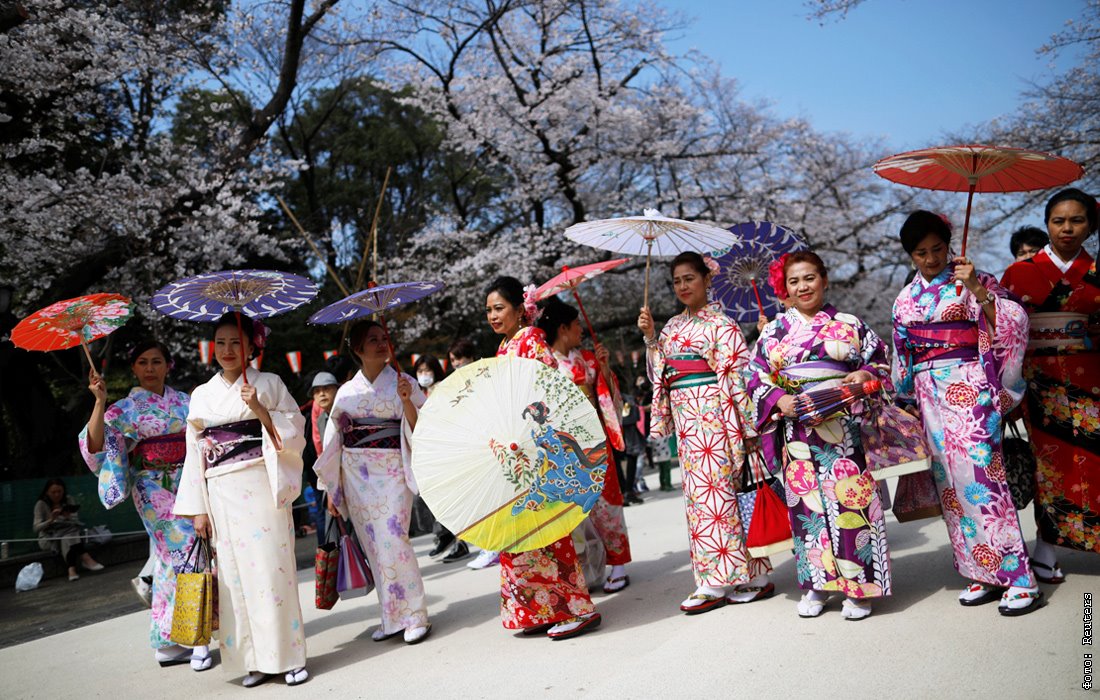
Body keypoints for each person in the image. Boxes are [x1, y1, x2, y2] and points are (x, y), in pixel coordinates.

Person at [893, 210, 1041, 616]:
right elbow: (902, 353)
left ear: (949, 244)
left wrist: (976, 287)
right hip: (928, 392)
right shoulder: (905, 298)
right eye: (921, 253)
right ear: (910, 256)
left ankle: (1019, 578)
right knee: (950, 485)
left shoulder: (976, 282)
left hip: (970, 387)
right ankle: (982, 571)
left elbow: (1011, 325)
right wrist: (904, 401)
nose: (930, 258)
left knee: (983, 477)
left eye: (937, 249)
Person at [746, 252, 892, 620]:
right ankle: (816, 584)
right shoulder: (774, 331)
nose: (803, 287)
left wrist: (865, 374)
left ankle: (858, 586)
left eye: (809, 278)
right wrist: (780, 399)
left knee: (850, 503)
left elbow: (881, 360)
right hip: (797, 428)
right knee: (807, 508)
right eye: (794, 282)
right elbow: (755, 377)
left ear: (824, 279)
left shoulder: (848, 323)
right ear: (785, 289)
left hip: (844, 425)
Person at [173, 313, 309, 687]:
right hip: (219, 490)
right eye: (221, 343)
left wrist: (261, 410)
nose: (228, 350)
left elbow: (295, 432)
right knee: (233, 577)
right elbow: (194, 453)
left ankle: (289, 656)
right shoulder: (201, 395)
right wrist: (198, 508)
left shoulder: (269, 383)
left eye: (237, 342)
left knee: (271, 570)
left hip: (262, 484)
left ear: (252, 346)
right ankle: (253, 661)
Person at [637, 252, 774, 615]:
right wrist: (651, 339)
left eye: (689, 279)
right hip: (687, 418)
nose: (683, 286)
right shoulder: (669, 327)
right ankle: (723, 576)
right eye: (677, 281)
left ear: (706, 280)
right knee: (701, 500)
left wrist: (743, 424)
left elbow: (737, 374)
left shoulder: (722, 325)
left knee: (724, 494)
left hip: (716, 414)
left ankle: (738, 577)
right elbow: (659, 376)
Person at [78, 340, 207, 668]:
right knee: (185, 549)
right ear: (134, 368)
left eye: (157, 362)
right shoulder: (123, 410)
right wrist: (100, 401)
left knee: (168, 560)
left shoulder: (185, 402)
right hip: (152, 488)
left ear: (168, 366)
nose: (150, 369)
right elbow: (95, 447)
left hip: (189, 481)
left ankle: (167, 642)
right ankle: (195, 635)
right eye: (143, 362)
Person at [487, 276, 602, 639]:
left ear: (520, 309)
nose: (492, 315)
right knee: (521, 530)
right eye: (488, 310)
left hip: (536, 446)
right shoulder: (505, 346)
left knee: (547, 528)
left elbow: (546, 388)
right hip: (514, 449)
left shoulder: (532, 340)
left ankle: (576, 607)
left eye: (499, 308)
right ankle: (538, 608)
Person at [314, 320, 433, 645]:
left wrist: (407, 400)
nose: (381, 344)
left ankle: (415, 614)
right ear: (357, 349)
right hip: (356, 473)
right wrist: (330, 488)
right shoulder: (347, 394)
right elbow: (333, 443)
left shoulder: (403, 381)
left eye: (384, 338)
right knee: (373, 546)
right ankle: (391, 616)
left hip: (392, 467)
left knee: (395, 539)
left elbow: (422, 428)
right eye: (372, 340)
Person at [1002, 188, 1100, 576]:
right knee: (1048, 465)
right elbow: (1003, 333)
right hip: (1038, 382)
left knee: (1094, 462)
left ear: (1090, 225)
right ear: (1047, 224)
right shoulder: (1019, 273)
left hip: (1090, 381)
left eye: (1077, 220)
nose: (1067, 228)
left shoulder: (1095, 274)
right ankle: (1045, 546)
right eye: (1058, 221)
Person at [536, 296, 633, 593]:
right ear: (563, 328)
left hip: (594, 439)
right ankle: (585, 567)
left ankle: (618, 563)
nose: (581, 330)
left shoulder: (588, 359)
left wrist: (603, 370)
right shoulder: (543, 365)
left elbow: (605, 395)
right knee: (575, 511)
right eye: (576, 325)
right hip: (564, 447)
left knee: (607, 505)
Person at [446, 337, 501, 570]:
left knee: (495, 496)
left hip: (493, 440)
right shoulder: (453, 384)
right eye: (452, 360)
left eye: (459, 358)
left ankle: (495, 546)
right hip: (471, 444)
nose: (456, 363)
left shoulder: (486, 374)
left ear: (470, 356)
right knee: (481, 498)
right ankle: (489, 546)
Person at [413, 354, 470, 563]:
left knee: (451, 498)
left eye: (427, 370)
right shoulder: (417, 392)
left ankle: (459, 542)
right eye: (419, 372)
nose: (423, 375)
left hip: (445, 447)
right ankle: (446, 537)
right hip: (429, 450)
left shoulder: (443, 389)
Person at [32, 478, 103, 581]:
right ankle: (86, 559)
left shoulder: (68, 499)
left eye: (59, 492)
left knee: (68, 536)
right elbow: (36, 528)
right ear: (47, 492)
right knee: (71, 534)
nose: (57, 495)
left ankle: (71, 570)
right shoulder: (41, 504)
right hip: (49, 538)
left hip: (67, 533)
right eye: (53, 492)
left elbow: (76, 520)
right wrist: (51, 520)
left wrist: (67, 517)